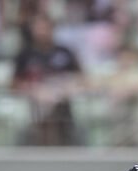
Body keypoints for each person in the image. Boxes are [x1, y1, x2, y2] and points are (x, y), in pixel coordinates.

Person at [11, 13, 86, 146]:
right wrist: (33, 89)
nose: (42, 32)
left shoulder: (65, 52)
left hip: (63, 99)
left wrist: (64, 87)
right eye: (38, 28)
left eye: (45, 27)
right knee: (44, 101)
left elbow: (81, 78)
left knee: (55, 99)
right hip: (34, 102)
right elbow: (14, 84)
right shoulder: (25, 55)